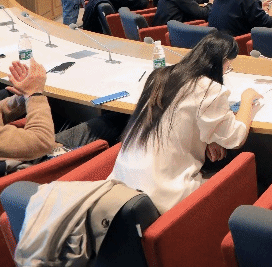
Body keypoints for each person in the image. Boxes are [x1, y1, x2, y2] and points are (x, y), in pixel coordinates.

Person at [110, 32, 260, 214]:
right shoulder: (209, 88)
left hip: (121, 185)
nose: (227, 71)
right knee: (248, 178)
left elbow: (177, 118)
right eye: (228, 67)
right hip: (162, 196)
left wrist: (208, 138)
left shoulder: (159, 75)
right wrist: (247, 99)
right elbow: (235, 138)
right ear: (221, 62)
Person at [0, 33, 121, 165]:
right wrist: (34, 94)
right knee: (116, 121)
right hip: (35, 166)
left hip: (24, 149)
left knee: (62, 108)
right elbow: (41, 142)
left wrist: (24, 95)